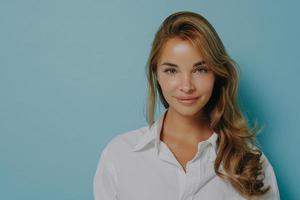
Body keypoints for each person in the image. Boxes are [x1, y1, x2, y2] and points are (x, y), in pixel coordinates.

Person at [93, 11, 280, 200]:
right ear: (156, 74)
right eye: (171, 70)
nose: (187, 86)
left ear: (217, 74)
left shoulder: (251, 164)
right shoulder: (119, 156)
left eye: (200, 69)